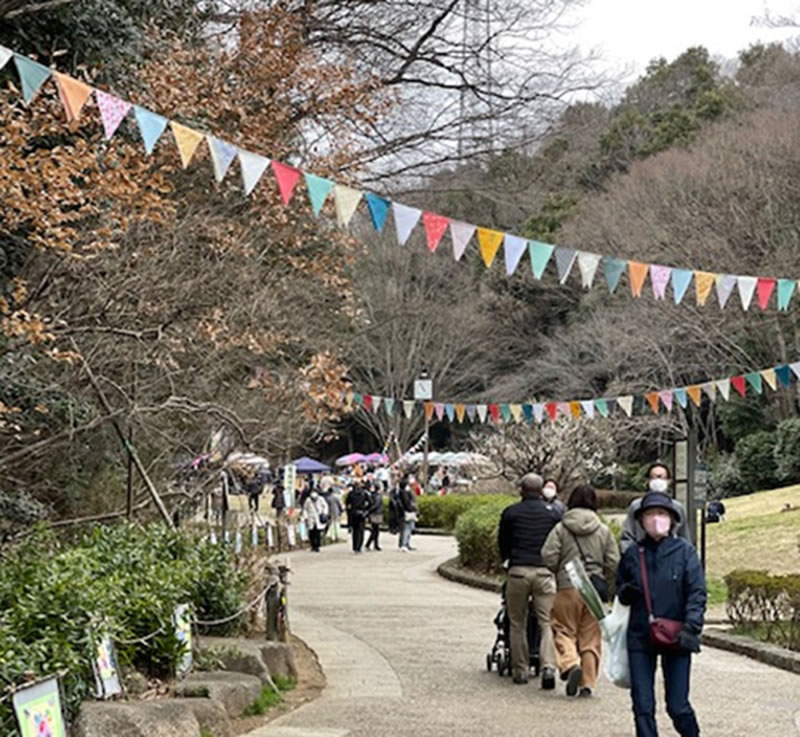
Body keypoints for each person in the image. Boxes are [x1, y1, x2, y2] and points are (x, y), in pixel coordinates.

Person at [616, 492, 706, 737]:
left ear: (672, 519)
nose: (656, 519)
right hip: (640, 635)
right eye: (650, 514)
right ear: (641, 520)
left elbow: (697, 591)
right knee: (642, 705)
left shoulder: (685, 552)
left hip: (677, 634)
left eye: (662, 513)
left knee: (678, 706)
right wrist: (625, 591)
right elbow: (620, 588)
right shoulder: (633, 554)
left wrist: (692, 627)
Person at [542, 484, 620, 698]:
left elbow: (548, 556)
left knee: (563, 630)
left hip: (567, 586)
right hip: (593, 590)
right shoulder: (603, 529)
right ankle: (587, 683)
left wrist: (558, 570)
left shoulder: (561, 528)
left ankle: (570, 663)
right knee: (591, 637)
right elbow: (614, 561)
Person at [498, 473, 561, 688]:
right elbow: (556, 545)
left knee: (517, 622)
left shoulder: (511, 513)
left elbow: (503, 543)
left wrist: (507, 560)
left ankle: (520, 670)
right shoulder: (552, 515)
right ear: (542, 490)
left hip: (518, 571)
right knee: (546, 622)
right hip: (544, 572)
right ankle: (548, 666)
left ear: (521, 490)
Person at [620, 463, 691, 553]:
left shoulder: (677, 507)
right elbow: (627, 537)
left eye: (661, 477)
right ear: (648, 481)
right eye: (653, 477)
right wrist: (633, 558)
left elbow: (685, 538)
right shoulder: (636, 506)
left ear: (669, 481)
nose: (657, 480)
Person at [345, 482, 370, 553]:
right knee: (361, 530)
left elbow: (347, 503)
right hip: (361, 513)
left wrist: (349, 511)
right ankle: (359, 546)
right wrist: (366, 510)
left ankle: (355, 546)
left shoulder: (351, 493)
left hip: (353, 513)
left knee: (355, 531)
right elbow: (370, 502)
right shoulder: (364, 493)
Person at [303, 488, 329, 552]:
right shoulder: (308, 500)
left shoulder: (321, 499)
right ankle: (313, 545)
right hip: (310, 517)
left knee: (317, 532)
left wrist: (324, 513)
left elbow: (325, 506)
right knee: (311, 533)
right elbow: (305, 509)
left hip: (318, 516)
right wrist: (305, 517)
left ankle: (317, 546)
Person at [398, 479, 418, 551]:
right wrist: (412, 508)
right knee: (407, 529)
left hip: (409, 512)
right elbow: (407, 504)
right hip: (407, 512)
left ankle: (406, 543)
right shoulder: (404, 493)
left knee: (409, 528)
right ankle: (404, 544)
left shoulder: (407, 493)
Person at [365, 483, 384, 551]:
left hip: (373, 514)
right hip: (376, 514)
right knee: (375, 530)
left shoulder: (372, 495)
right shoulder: (378, 496)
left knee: (375, 530)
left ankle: (372, 544)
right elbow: (376, 505)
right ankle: (372, 544)